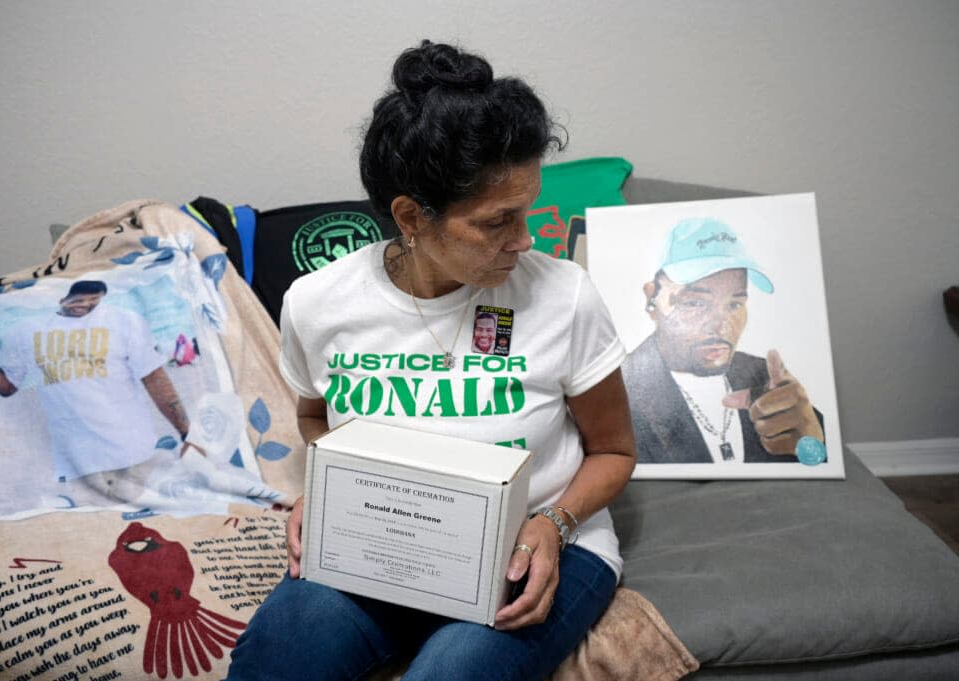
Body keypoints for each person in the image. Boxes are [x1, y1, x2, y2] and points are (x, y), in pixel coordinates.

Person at [227, 41, 636, 681]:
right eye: (498, 221)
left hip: (526, 547)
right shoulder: (318, 303)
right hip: (381, 544)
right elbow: (313, 418)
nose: (524, 239)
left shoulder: (563, 297)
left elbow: (614, 453)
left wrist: (553, 525)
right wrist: (331, 488)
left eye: (525, 210)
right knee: (275, 662)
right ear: (412, 217)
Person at [0, 280, 201, 485]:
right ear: (59, 299)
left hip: (136, 453)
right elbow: (4, 385)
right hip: (76, 467)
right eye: (79, 300)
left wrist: (187, 434)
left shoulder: (124, 321)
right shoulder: (25, 331)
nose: (87, 306)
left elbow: (154, 377)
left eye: (94, 301)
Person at [622, 218, 825, 464]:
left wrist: (811, 444)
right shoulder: (621, 387)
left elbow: (817, 460)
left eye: (734, 304)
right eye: (695, 302)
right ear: (651, 299)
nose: (721, 325)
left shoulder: (765, 378)